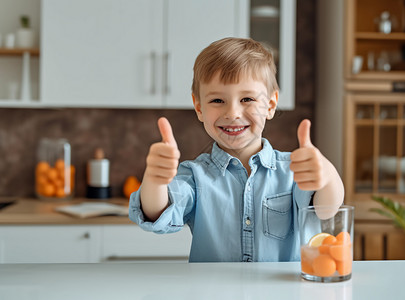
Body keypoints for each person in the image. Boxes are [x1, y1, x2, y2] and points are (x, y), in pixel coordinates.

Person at [129, 37, 344, 262]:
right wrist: (155, 180)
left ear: (270, 105)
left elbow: (326, 209)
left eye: (247, 99)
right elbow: (158, 214)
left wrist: (326, 174)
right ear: (199, 107)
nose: (232, 113)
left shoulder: (294, 171)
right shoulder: (194, 175)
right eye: (218, 101)